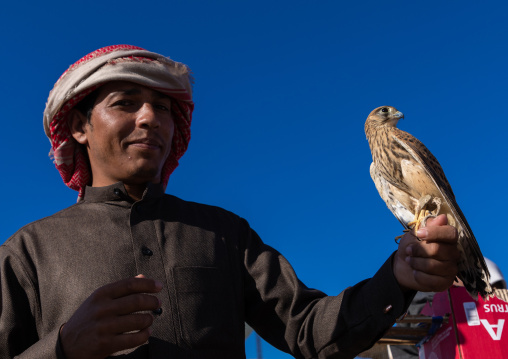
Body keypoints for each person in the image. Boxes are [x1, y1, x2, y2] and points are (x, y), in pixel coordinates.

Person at [0, 45, 460, 359]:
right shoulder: (28, 252)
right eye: (126, 102)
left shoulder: (223, 232)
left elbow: (308, 329)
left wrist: (398, 279)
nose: (150, 119)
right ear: (79, 127)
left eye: (162, 108)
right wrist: (62, 347)